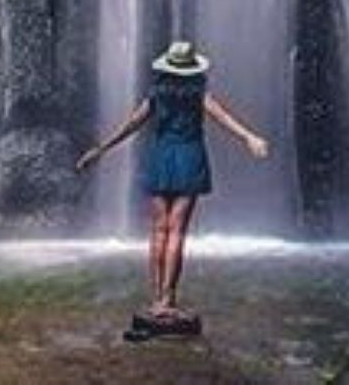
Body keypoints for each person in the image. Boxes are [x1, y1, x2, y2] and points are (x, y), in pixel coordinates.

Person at [75, 38, 270, 321]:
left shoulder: (157, 94)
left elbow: (130, 124)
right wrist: (249, 137)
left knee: (158, 231)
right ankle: (168, 299)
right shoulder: (198, 93)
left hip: (161, 158)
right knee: (176, 231)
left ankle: (155, 298)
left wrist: (101, 150)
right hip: (189, 158)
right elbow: (223, 118)